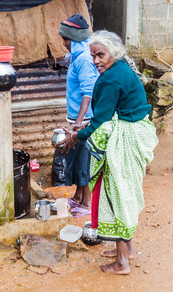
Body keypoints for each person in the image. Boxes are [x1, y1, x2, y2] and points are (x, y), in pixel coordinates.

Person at [58, 30, 158, 274]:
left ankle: (122, 262)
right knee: (123, 192)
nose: (96, 61)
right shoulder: (121, 68)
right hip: (135, 130)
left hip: (126, 139)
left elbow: (101, 118)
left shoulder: (112, 79)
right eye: (93, 56)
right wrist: (84, 127)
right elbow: (112, 110)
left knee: (116, 195)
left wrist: (76, 135)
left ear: (113, 53)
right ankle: (127, 249)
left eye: (100, 55)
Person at [58, 14, 99, 210]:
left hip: (85, 119)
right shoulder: (78, 56)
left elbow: (88, 93)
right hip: (78, 117)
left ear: (73, 38)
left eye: (65, 39)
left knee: (83, 160)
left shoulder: (83, 59)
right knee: (76, 158)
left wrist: (77, 124)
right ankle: (78, 196)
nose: (64, 43)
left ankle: (87, 202)